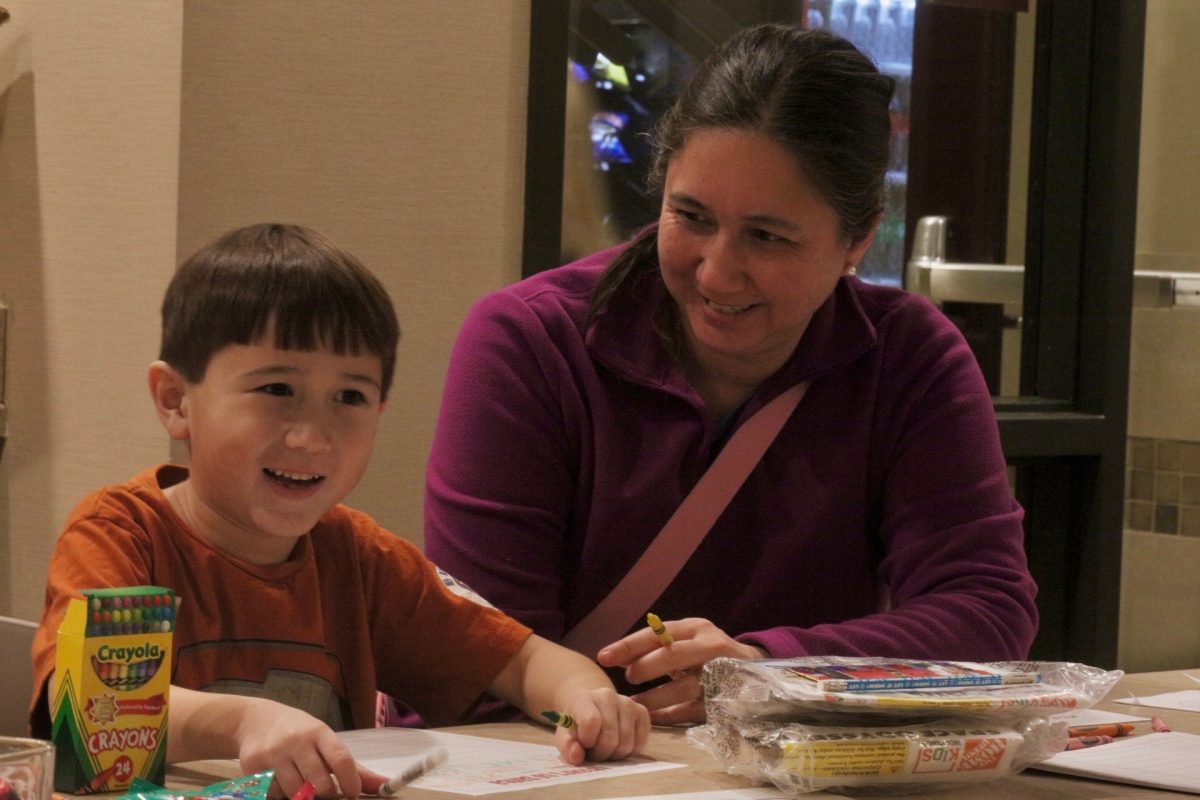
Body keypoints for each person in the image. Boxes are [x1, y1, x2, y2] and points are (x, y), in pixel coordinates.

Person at [423, 24, 1039, 726]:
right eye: (690, 216)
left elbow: (988, 613)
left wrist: (765, 668)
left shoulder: (908, 359)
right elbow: (482, 652)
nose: (716, 272)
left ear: (858, 239)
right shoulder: (529, 343)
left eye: (768, 236)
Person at [29, 224, 649, 798]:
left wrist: (588, 698)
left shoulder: (359, 556)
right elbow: (86, 703)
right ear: (175, 401)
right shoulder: (121, 532)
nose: (313, 436)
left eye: (350, 396)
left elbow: (524, 659)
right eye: (277, 389)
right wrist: (245, 720)